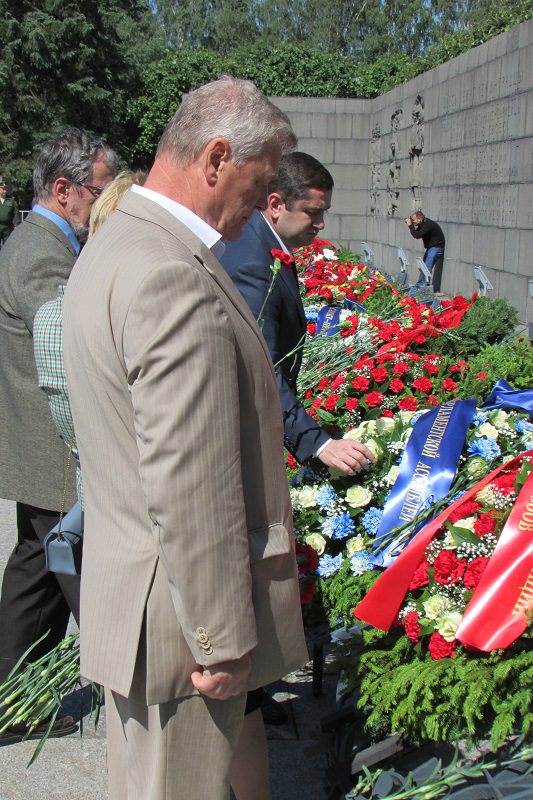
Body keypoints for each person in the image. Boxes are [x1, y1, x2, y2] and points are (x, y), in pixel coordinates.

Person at [62, 76, 308, 800]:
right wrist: (220, 639)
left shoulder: (117, 245)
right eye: (258, 182)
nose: (260, 205)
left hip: (141, 605)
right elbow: (190, 484)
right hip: (181, 631)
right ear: (216, 158)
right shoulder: (173, 273)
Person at [0, 128, 117, 743]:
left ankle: (14, 700)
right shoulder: (41, 251)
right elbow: (69, 339)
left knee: (38, 569)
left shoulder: (45, 242)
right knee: (66, 568)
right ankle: (22, 703)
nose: (102, 203)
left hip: (44, 441)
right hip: (53, 441)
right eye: (99, 190)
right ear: (64, 188)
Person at [221, 152, 375, 477]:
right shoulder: (254, 261)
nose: (321, 224)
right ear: (276, 204)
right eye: (312, 212)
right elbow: (260, 366)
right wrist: (320, 445)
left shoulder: (262, 240)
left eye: (324, 212)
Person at [405, 210, 445, 293]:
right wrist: (412, 224)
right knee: (423, 267)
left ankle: (423, 287)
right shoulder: (422, 224)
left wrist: (410, 225)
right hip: (432, 247)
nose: (413, 222)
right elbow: (416, 233)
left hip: (437, 247)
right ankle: (420, 285)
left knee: (426, 267)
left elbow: (417, 235)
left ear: (419, 219)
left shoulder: (428, 224)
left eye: (414, 220)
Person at [0, 177, 18, 247]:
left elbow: (16, 212)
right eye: (3, 188)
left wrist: (17, 224)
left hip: (7, 227)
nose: (5, 190)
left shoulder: (11, 199)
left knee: (7, 247)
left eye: (5, 188)